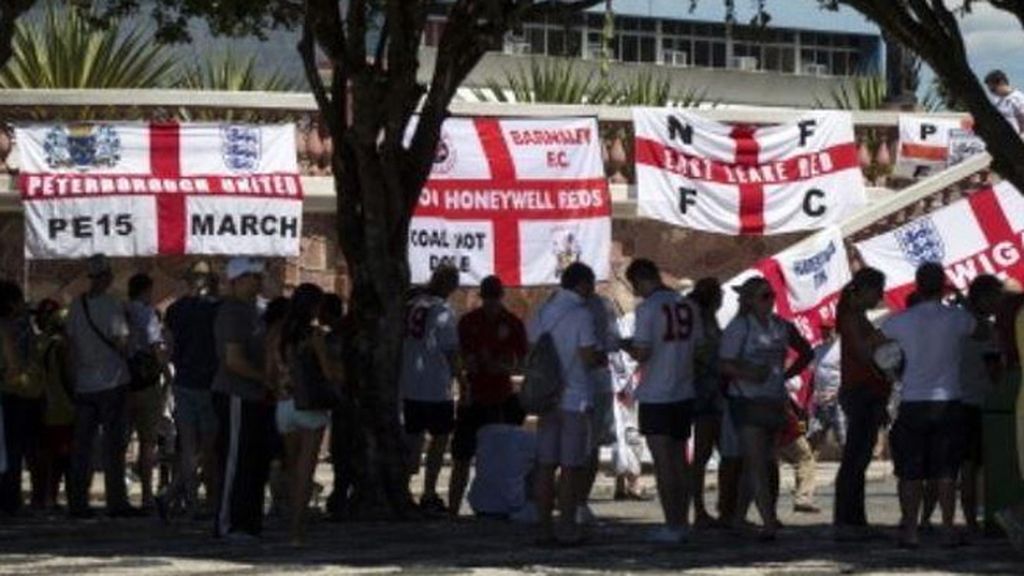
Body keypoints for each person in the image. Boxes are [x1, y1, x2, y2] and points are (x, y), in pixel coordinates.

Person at [883, 263, 979, 548]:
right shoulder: (957, 318)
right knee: (947, 471)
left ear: (916, 284)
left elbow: (874, 344)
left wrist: (890, 372)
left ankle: (911, 531)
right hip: (949, 401)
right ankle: (948, 529)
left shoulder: (901, 321)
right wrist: (961, 299)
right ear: (943, 285)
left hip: (913, 401)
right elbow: (984, 331)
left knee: (910, 472)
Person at [719, 277, 813, 541]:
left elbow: (806, 352)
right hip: (746, 400)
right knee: (758, 461)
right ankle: (769, 520)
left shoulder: (781, 326)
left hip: (773, 399)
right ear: (749, 300)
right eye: (764, 296)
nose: (770, 300)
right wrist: (747, 372)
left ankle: (738, 517)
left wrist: (785, 375)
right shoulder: (739, 327)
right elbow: (724, 364)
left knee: (757, 462)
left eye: (771, 295)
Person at [624, 258, 703, 543]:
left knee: (663, 463)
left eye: (635, 286)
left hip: (657, 393)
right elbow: (698, 346)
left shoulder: (647, 309)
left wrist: (626, 346)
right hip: (683, 391)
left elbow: (642, 352)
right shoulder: (689, 306)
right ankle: (684, 521)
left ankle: (673, 524)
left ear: (642, 280)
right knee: (680, 461)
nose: (636, 292)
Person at [921, 275, 1003, 533]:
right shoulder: (981, 328)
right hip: (974, 403)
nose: (999, 303)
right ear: (984, 298)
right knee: (969, 466)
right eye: (996, 298)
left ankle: (923, 519)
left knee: (944, 466)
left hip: (949, 401)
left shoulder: (953, 321)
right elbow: (994, 370)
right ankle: (969, 521)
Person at [530, 262, 604, 546]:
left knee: (546, 464)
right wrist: (601, 357)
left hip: (547, 396)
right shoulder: (581, 314)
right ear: (582, 284)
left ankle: (544, 526)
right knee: (572, 465)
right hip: (574, 396)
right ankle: (567, 525)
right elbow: (587, 356)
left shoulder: (544, 311)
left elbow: (531, 347)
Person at [65, 255, 140, 518]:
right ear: (107, 277)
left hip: (85, 384)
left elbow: (71, 347)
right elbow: (122, 342)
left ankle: (77, 502)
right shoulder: (112, 305)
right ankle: (116, 502)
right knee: (113, 446)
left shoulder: (76, 305)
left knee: (82, 447)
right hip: (112, 380)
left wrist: (74, 378)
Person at [449, 276, 527, 517]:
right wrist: (469, 369)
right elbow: (459, 356)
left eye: (494, 297)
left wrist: (502, 365)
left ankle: (499, 504)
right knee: (462, 454)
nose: (491, 302)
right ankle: (453, 508)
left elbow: (520, 361)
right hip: (473, 394)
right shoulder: (469, 322)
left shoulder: (512, 323)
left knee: (499, 456)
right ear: (482, 297)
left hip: (500, 395)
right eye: (488, 297)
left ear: (501, 296)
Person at [278, 284, 344, 545]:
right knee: (305, 470)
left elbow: (272, 370)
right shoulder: (315, 335)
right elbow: (327, 372)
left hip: (284, 405)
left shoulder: (279, 334)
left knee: (292, 468)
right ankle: (297, 529)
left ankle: (286, 515)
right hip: (310, 405)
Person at [213, 257, 273, 541]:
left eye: (259, 276)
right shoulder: (232, 312)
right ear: (235, 280)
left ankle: (249, 521)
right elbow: (233, 360)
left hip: (256, 397)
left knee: (255, 461)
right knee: (235, 460)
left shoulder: (256, 311)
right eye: (251, 276)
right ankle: (228, 522)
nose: (257, 281)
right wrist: (265, 378)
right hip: (237, 393)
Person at [158, 262, 222, 522]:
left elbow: (168, 348)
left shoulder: (174, 310)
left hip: (183, 381)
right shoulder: (217, 309)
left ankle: (190, 502)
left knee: (188, 447)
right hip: (209, 383)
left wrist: (168, 375)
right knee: (207, 448)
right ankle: (192, 498)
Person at [833, 267, 890, 541]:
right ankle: (847, 518)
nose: (881, 296)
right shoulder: (851, 317)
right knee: (855, 457)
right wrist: (882, 345)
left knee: (861, 456)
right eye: (878, 290)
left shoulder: (858, 317)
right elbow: (864, 354)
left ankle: (854, 517)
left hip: (869, 390)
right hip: (861, 390)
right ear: (865, 289)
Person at [400, 265, 460, 514]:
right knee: (439, 438)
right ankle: (429, 491)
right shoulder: (442, 310)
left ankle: (403, 489)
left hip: (409, 382)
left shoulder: (411, 304)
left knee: (413, 438)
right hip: (435, 384)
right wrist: (461, 379)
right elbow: (450, 349)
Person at [687, 277, 731, 528]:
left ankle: (722, 506)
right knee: (704, 453)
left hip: (715, 392)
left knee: (725, 452)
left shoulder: (710, 321)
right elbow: (701, 355)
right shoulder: (701, 322)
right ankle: (700, 509)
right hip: (706, 393)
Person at [124, 272, 170, 511]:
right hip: (146, 382)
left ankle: (119, 492)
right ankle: (146, 497)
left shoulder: (121, 311)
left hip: (122, 381)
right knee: (147, 441)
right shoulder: (146, 313)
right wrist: (167, 373)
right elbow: (155, 347)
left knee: (122, 441)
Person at [579, 292, 621, 524]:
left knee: (576, 444)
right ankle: (580, 501)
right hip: (596, 377)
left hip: (578, 379)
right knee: (591, 445)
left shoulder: (556, 305)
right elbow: (613, 341)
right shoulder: (603, 304)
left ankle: (574, 500)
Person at [0, 280, 41, 516]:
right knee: (14, 449)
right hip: (14, 391)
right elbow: (17, 362)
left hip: (10, 391)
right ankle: (9, 498)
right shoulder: (19, 326)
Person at [35, 299, 74, 512]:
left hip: (44, 404)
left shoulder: (40, 342)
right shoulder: (60, 345)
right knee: (63, 457)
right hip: (63, 407)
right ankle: (58, 497)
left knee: (46, 456)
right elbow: (67, 377)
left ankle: (44, 497)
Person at [322, 293, 359, 521]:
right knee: (342, 449)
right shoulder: (343, 334)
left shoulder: (338, 336)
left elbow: (337, 369)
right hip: (345, 399)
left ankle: (342, 494)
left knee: (344, 449)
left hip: (345, 399)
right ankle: (341, 493)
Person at [984, 69, 1024, 134]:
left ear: (1002, 83)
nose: (991, 92)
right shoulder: (996, 101)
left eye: (993, 89)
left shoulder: (1018, 98)